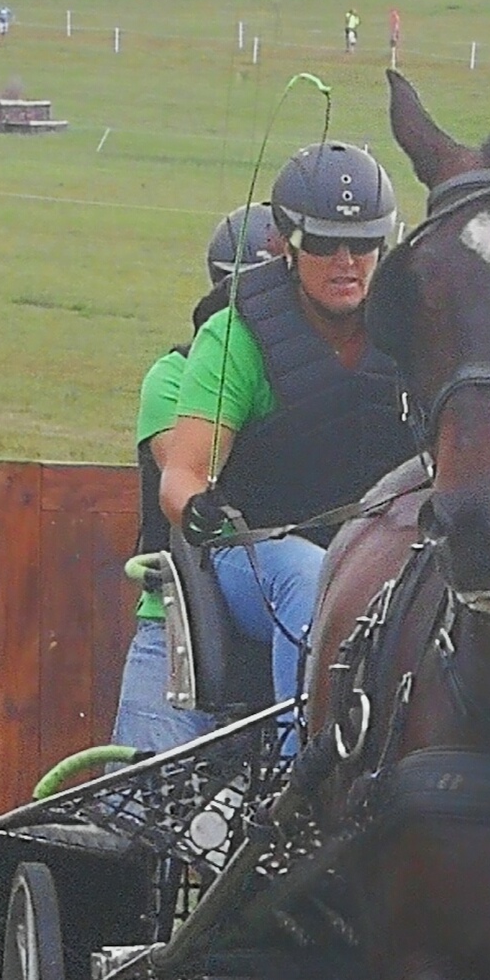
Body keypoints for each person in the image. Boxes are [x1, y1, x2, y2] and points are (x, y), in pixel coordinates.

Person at [112, 146, 411, 755]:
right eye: (326, 244)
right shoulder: (234, 338)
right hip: (255, 560)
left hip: (384, 556)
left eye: (364, 244)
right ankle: (301, 773)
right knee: (307, 573)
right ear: (290, 244)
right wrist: (201, 509)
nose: (347, 261)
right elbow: (182, 477)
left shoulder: (417, 327)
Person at [114, 203, 284, 753]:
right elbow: (190, 469)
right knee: (144, 795)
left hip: (287, 602)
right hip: (182, 616)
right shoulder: (174, 377)